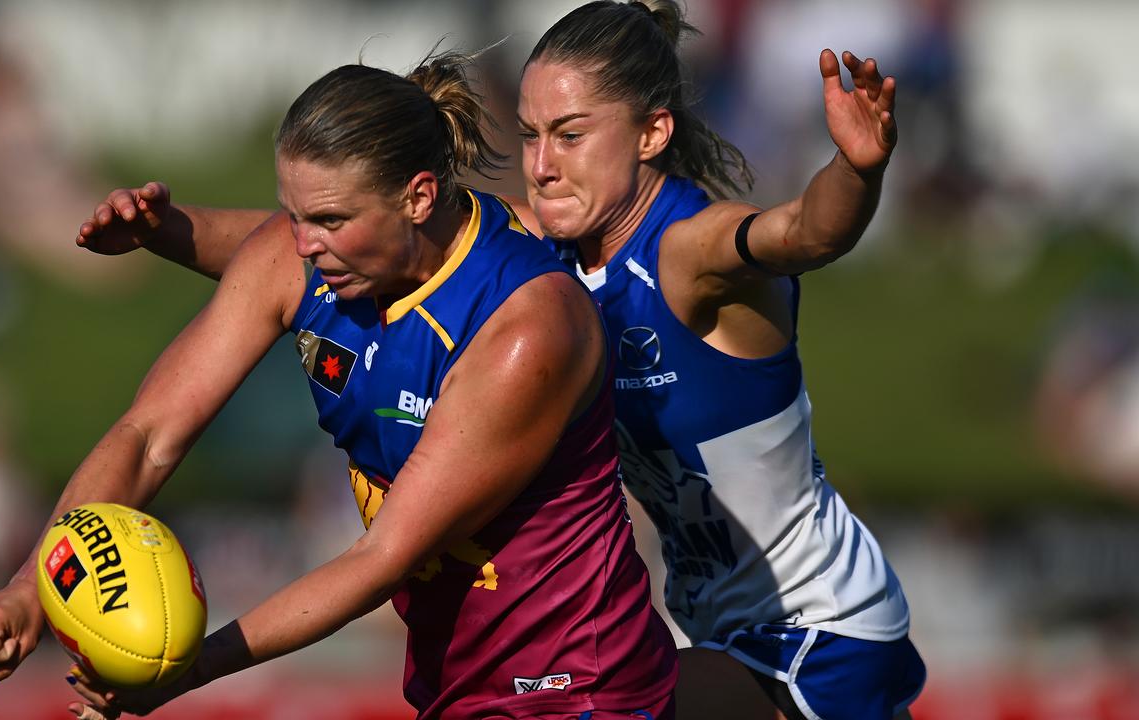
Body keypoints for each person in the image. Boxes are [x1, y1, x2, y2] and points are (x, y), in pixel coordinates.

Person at [76, 3, 926, 718]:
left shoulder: (690, 251)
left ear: (651, 133)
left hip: (821, 629)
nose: (543, 164)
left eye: (570, 134)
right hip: (706, 624)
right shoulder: (546, 245)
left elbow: (803, 232)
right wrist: (168, 229)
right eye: (528, 135)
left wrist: (857, 171)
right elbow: (318, 248)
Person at [0, 51, 679, 720]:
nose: (300, 243)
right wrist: (32, 586)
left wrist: (187, 670)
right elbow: (146, 437)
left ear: (420, 197)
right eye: (293, 213)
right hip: (452, 683)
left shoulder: (526, 326)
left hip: (577, 688)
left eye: (329, 219)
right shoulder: (303, 256)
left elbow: (381, 558)